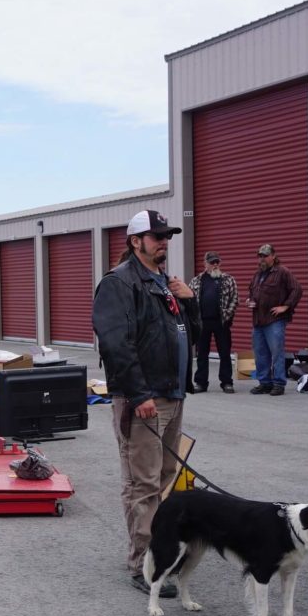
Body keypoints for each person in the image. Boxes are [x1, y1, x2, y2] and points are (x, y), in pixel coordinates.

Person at [92, 210, 200, 596]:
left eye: (166, 236)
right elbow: (116, 344)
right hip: (146, 398)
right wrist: (139, 395)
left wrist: (191, 302)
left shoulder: (166, 284)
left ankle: (149, 552)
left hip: (171, 393)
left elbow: (192, 336)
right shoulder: (119, 284)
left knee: (160, 480)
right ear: (135, 241)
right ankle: (145, 565)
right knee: (145, 484)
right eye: (156, 237)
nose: (164, 242)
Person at [246, 243, 303, 396]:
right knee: (260, 353)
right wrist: (250, 301)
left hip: (274, 321)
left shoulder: (282, 272)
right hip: (258, 320)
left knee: (277, 352)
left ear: (273, 256)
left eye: (265, 256)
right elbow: (253, 293)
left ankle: (278, 383)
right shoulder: (258, 274)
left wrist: (285, 306)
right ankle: (264, 383)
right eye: (260, 256)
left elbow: (297, 289)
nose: (262, 259)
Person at [188, 251, 237, 393]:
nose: (215, 265)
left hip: (221, 322)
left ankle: (227, 382)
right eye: (212, 262)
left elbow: (235, 299)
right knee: (202, 354)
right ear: (206, 264)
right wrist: (194, 318)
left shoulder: (228, 279)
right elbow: (190, 300)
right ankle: (201, 383)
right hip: (202, 323)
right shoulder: (196, 280)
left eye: (217, 262)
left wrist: (227, 314)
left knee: (225, 353)